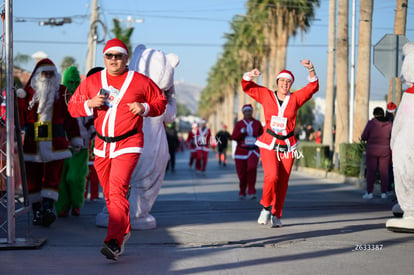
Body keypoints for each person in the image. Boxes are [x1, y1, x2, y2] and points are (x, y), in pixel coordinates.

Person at [67, 38, 167, 261]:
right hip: (102, 144)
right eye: (109, 55)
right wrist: (89, 104)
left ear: (126, 58)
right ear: (104, 58)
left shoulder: (140, 81)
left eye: (119, 56)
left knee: (117, 190)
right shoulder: (93, 81)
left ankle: (113, 241)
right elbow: (73, 107)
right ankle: (123, 232)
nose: (114, 59)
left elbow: (161, 103)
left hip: (128, 143)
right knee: (111, 196)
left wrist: (144, 107)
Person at [241, 59, 318, 228]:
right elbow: (247, 86)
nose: (285, 83)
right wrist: (250, 75)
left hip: (288, 145)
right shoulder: (267, 95)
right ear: (277, 83)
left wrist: (311, 69)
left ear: (291, 84)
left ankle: (276, 214)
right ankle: (265, 208)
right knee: (272, 176)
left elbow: (312, 88)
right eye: (282, 80)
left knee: (283, 181)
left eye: (288, 81)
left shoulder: (296, 98)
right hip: (268, 143)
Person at [17, 58, 82, 227]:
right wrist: (16, 138)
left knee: (54, 177)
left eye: (51, 73)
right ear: (38, 75)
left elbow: (70, 118)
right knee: (32, 178)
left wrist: (75, 137)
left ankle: (47, 207)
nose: (47, 76)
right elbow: (19, 117)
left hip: (56, 142)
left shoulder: (62, 91)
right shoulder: (28, 93)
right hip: (32, 142)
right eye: (44, 73)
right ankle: (37, 210)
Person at [55, 66, 93, 217]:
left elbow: (91, 122)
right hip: (61, 145)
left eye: (76, 81)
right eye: (70, 81)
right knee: (61, 179)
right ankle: (63, 205)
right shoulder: (58, 98)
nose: (73, 84)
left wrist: (94, 139)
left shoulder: (84, 98)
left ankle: (77, 203)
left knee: (75, 177)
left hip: (81, 146)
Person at [386, 41, 414, 233]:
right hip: (405, 145)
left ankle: (411, 211)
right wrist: (394, 142)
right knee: (404, 173)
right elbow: (399, 122)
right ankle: (408, 208)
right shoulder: (408, 96)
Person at [231, 104, 263, 200]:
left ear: (252, 112)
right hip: (241, 152)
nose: (248, 113)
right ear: (243, 112)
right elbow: (233, 137)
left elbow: (262, 134)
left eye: (249, 111)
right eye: (246, 111)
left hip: (253, 151)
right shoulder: (239, 124)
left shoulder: (257, 123)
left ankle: (252, 191)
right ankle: (242, 191)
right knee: (242, 174)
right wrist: (241, 133)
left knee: (252, 169)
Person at [360, 107, 392, 199]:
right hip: (385, 150)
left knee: (371, 172)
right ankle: (384, 193)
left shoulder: (371, 123)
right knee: (384, 172)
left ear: (374, 114)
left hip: (372, 150)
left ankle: (369, 193)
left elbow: (363, 137)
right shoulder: (389, 124)